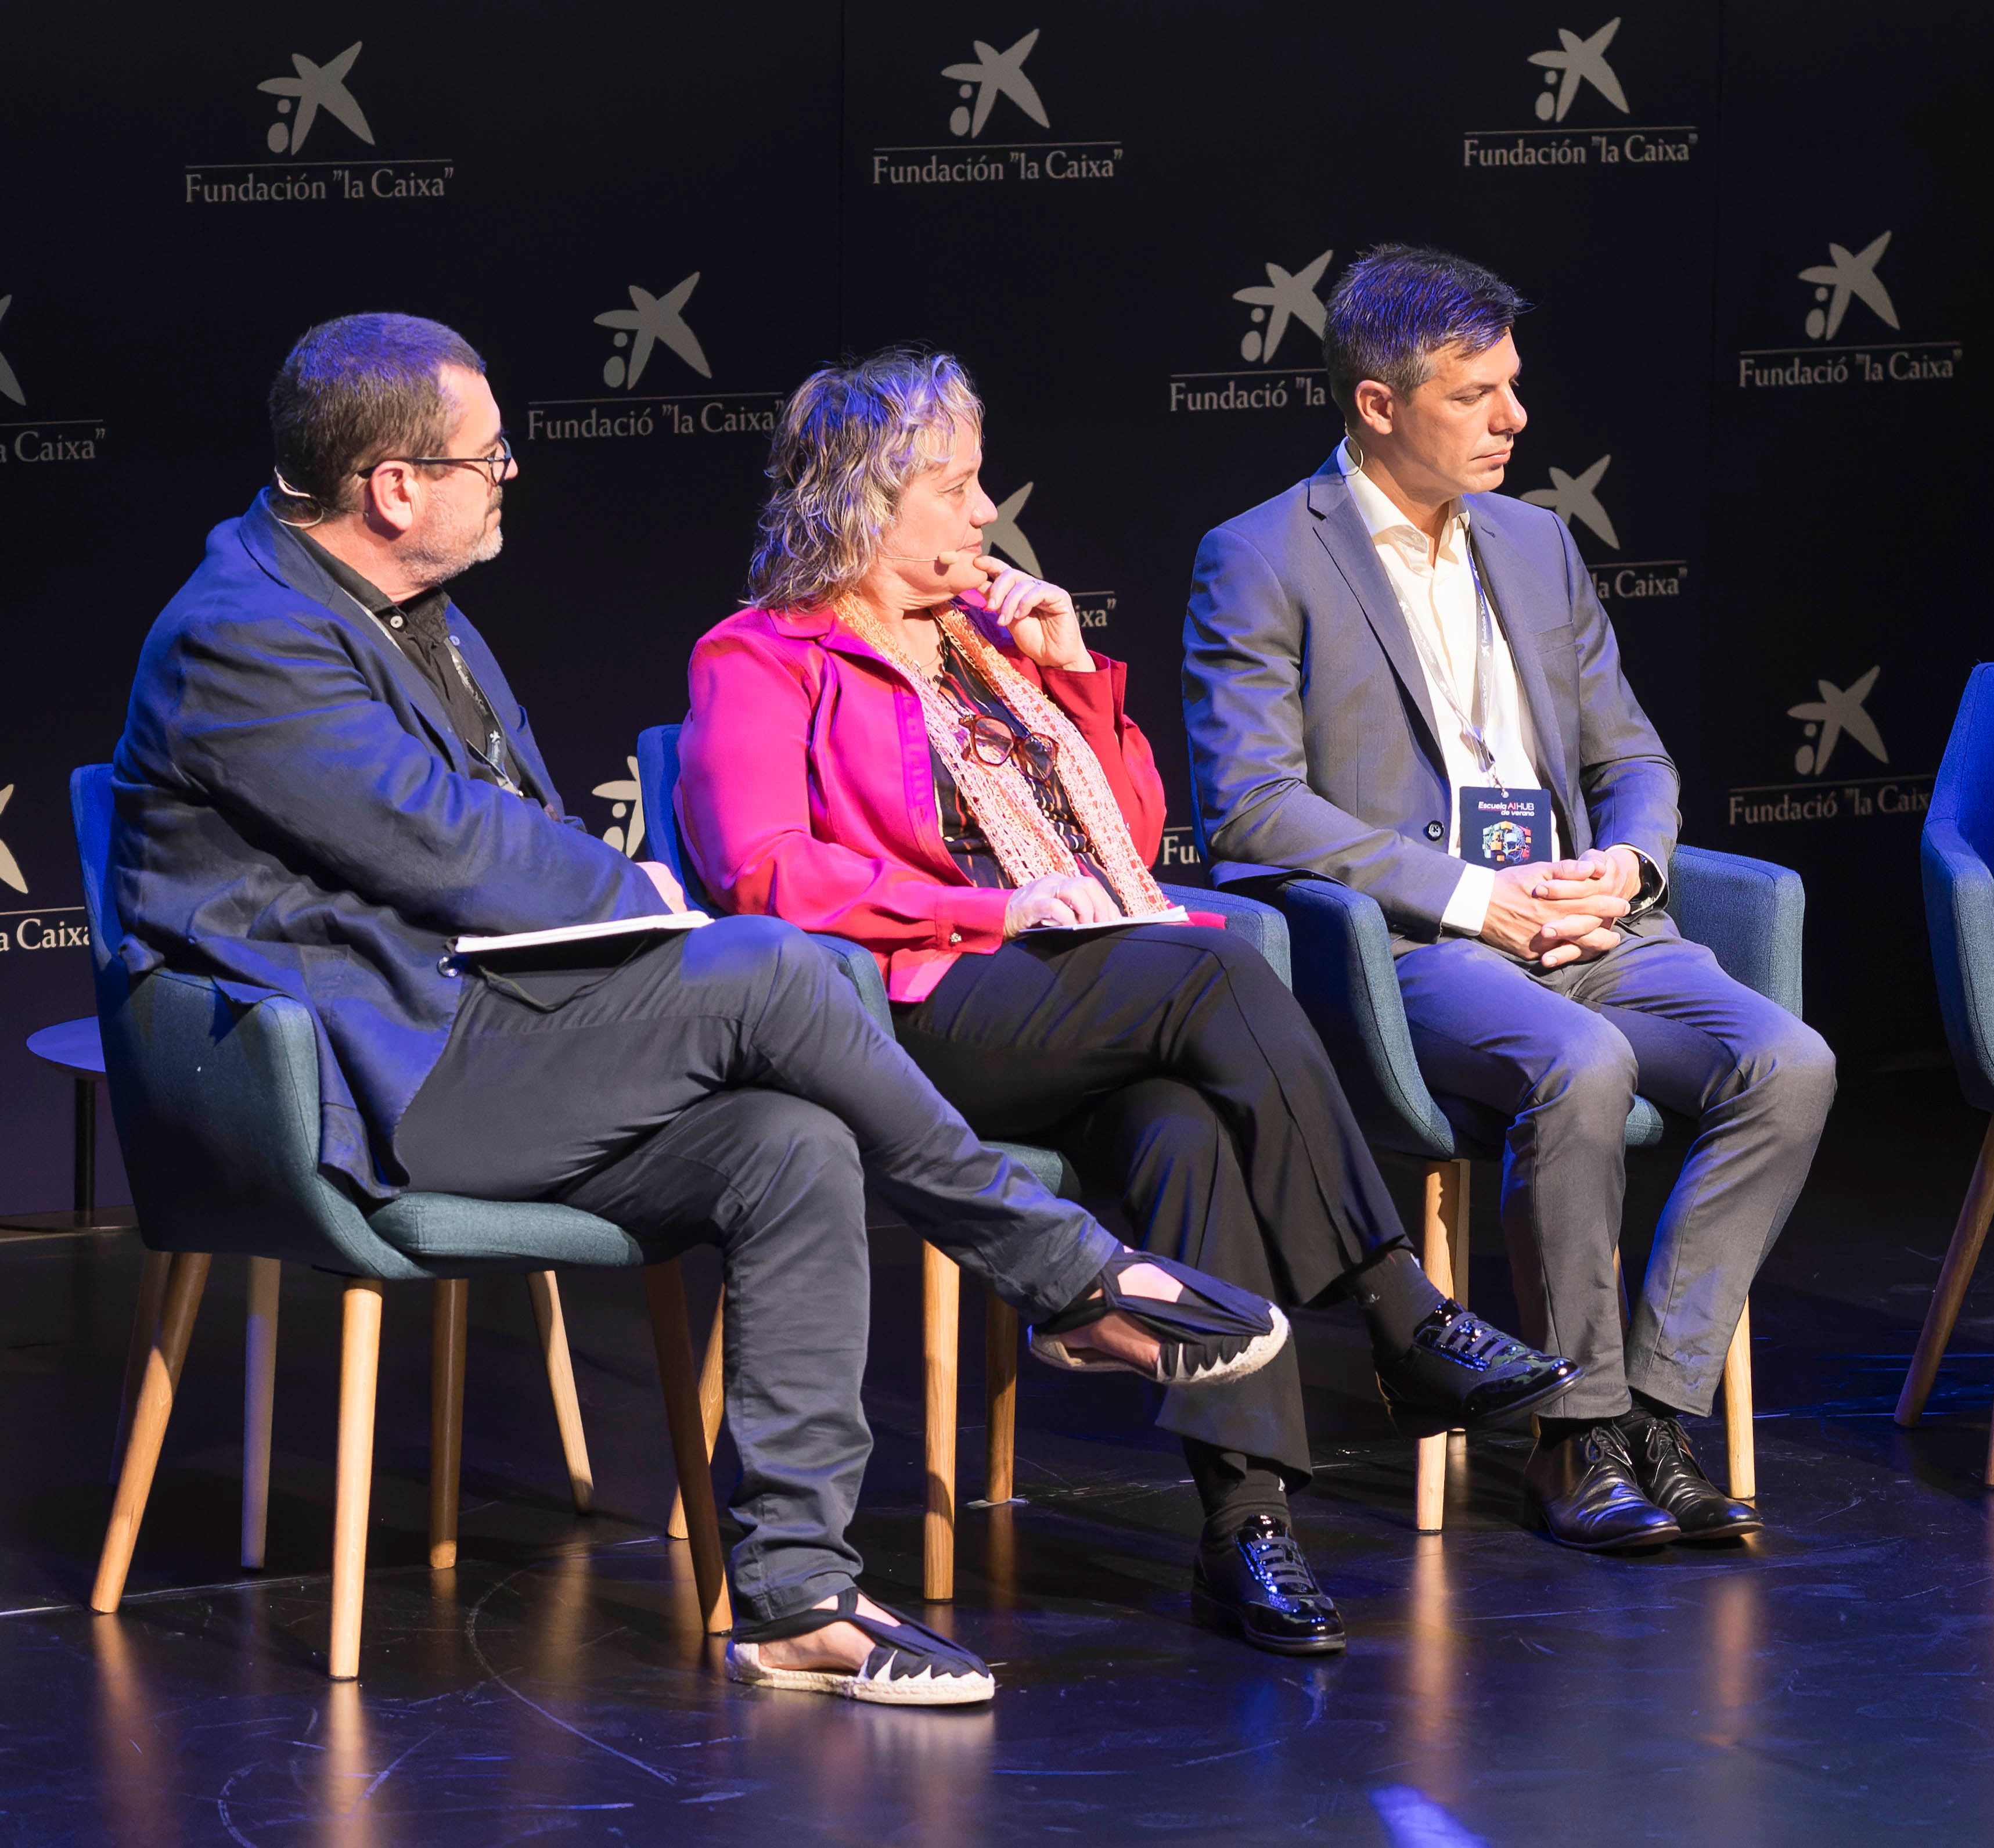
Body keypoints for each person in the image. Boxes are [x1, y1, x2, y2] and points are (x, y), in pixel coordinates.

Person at [109, 312, 1289, 1706]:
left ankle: (793, 1596)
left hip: (480, 1031)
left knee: (793, 1144)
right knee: (771, 962)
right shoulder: (242, 637)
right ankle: (1064, 1274)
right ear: (394, 486)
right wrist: (639, 885)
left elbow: (502, 840)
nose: (510, 475)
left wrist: (609, 900)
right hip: (371, 1084)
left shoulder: (419, 616)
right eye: (490, 456)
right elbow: (457, 852)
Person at [676, 346, 1577, 1655]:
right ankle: (1399, 1312)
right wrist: (991, 911)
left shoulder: (990, 641)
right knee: (1214, 962)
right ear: (863, 500)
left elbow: (1135, 843)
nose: (985, 515)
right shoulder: (760, 657)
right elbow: (763, 870)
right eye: (953, 488)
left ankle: (1244, 1532)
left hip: (1067, 998)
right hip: (907, 1010)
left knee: (1183, 1126)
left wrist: (1076, 672)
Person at [1182, 246, 1837, 1553]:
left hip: (1592, 923)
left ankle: (1652, 1406)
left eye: (1514, 387)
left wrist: (1631, 864)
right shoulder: (1260, 555)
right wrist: (1478, 897)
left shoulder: (1536, 545)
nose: (1514, 420)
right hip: (1417, 947)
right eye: (1475, 395)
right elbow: (1250, 806)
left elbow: (1631, 756)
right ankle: (1572, 1436)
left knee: (1790, 1062)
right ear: (1378, 406)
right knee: (1580, 1067)